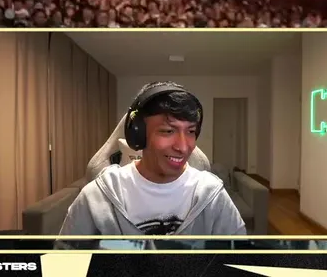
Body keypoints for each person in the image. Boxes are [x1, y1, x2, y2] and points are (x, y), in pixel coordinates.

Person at [57, 82, 246, 246]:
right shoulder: (97, 196)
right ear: (139, 135)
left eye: (190, 131)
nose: (183, 147)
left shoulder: (212, 196)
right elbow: (64, 264)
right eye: (168, 131)